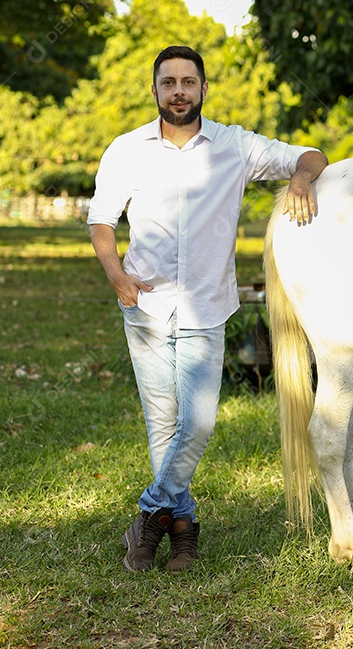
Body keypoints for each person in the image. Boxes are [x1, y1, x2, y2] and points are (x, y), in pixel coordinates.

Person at [88, 45, 329, 572]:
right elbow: (101, 220)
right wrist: (115, 275)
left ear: (202, 89)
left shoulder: (235, 146)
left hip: (205, 306)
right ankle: (182, 529)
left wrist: (302, 178)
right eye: (169, 82)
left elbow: (310, 155)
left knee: (195, 425)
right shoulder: (126, 150)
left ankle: (149, 514)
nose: (179, 91)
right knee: (163, 424)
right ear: (155, 91)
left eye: (188, 82)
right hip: (144, 305)